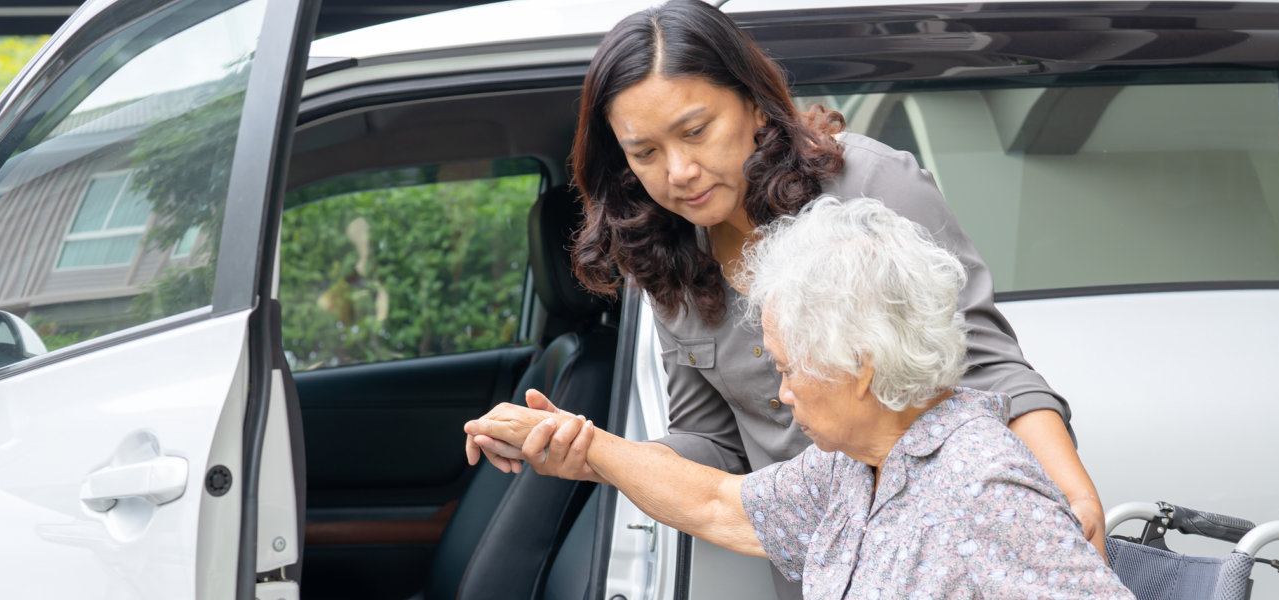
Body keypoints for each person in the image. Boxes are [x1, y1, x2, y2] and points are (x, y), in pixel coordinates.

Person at [467, 1, 1109, 593]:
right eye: (646, 152)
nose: (679, 171)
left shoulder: (871, 186)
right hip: (817, 561)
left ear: (753, 104)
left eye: (695, 131)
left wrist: (1069, 491)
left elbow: (991, 367)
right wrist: (598, 451)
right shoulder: (663, 251)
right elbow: (710, 442)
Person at [467, 198, 1133, 599]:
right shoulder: (851, 468)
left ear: (862, 367)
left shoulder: (983, 486)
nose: (781, 395)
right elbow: (716, 504)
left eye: (791, 371)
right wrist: (585, 447)